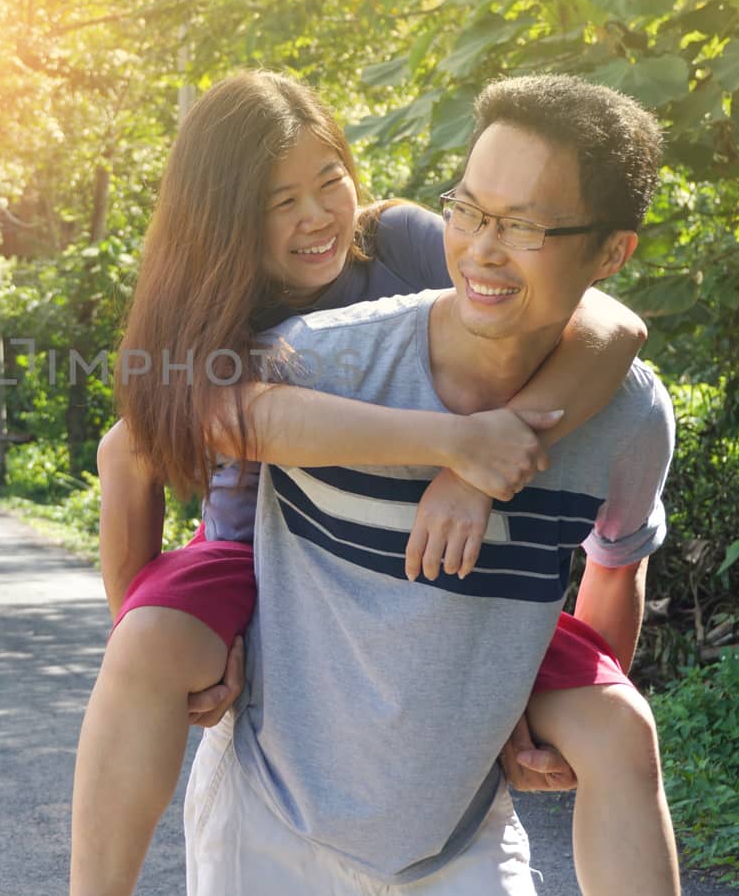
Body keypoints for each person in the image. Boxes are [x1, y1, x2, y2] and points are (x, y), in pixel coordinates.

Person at [69, 71, 678, 895]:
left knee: (619, 727)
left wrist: (485, 463)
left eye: (329, 181)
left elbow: (607, 322)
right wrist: (148, 629)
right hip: (250, 557)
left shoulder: (397, 239)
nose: (316, 215)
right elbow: (129, 456)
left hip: (455, 584)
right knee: (143, 646)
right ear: (223, 218)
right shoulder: (218, 317)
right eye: (278, 201)